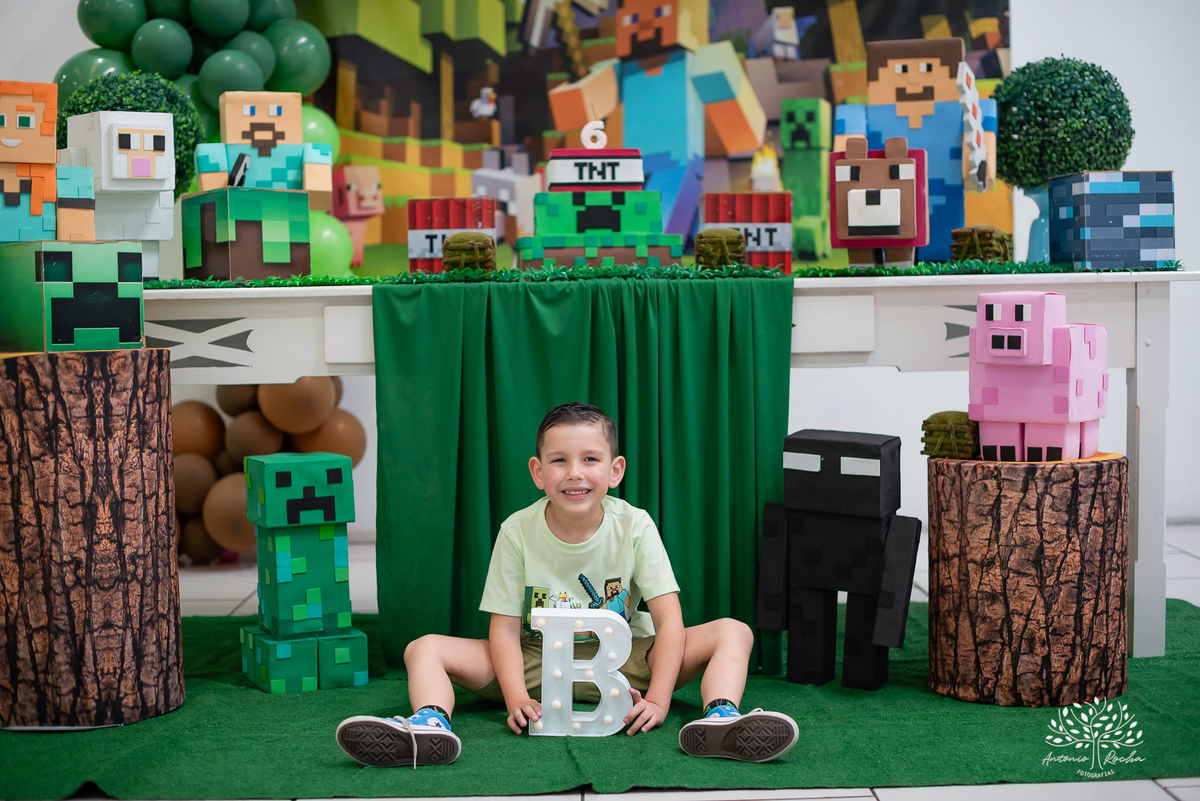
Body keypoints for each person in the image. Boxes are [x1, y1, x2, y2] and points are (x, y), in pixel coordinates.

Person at [336, 402, 799, 767]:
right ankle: (430, 725)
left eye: (590, 459)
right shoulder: (517, 529)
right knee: (425, 648)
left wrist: (659, 697)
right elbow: (502, 627)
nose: (574, 473)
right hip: (535, 663)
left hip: (627, 663)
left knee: (733, 631)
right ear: (538, 472)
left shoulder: (634, 525)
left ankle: (721, 718)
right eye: (559, 460)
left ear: (615, 471)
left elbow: (669, 618)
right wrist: (516, 695)